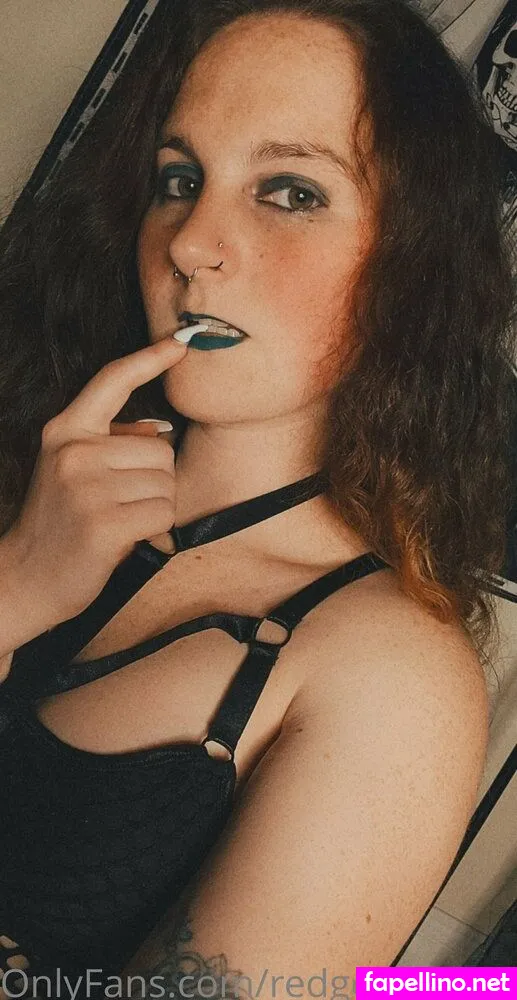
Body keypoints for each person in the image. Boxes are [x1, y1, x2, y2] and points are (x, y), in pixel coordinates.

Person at [0, 0, 515, 995]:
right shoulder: (35, 460)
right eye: (179, 180)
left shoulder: (387, 676)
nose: (190, 242)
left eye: (288, 191)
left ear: (413, 263)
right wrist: (16, 583)